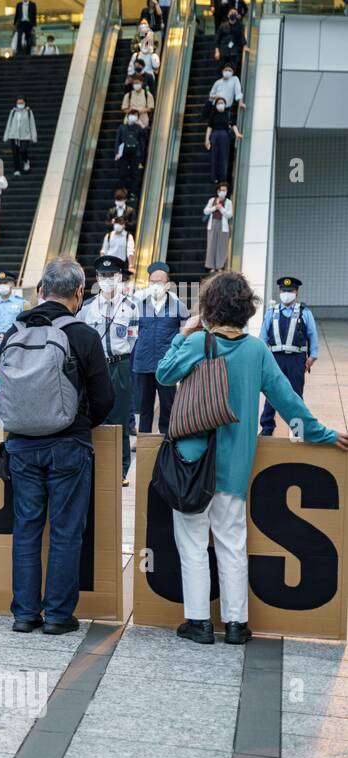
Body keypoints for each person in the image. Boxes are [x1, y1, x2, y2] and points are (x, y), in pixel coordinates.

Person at [157, 270, 346, 646]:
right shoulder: (257, 351)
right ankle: (237, 624)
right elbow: (288, 403)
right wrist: (324, 434)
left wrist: (183, 334)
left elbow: (163, 373)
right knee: (232, 542)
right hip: (234, 469)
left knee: (193, 544)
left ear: (210, 308)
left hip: (193, 464)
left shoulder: (199, 344)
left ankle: (198, 623)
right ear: (247, 310)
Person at [0, 256, 115, 635]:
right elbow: (105, 398)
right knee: (65, 531)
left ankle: (24, 614)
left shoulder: (13, 332)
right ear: (78, 292)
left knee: (26, 529)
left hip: (21, 447)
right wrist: (77, 423)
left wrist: (19, 420)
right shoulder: (85, 335)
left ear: (40, 291)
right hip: (69, 446)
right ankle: (58, 616)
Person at [77, 255, 137, 482]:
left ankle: (121, 469)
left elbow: (132, 339)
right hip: (96, 367)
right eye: (103, 276)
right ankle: (94, 465)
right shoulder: (87, 308)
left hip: (120, 366)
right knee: (94, 417)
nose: (107, 280)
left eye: (111, 276)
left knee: (120, 418)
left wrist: (120, 357)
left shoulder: (131, 307)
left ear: (120, 277)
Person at [132, 261, 189, 434]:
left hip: (167, 365)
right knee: (144, 407)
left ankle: (166, 438)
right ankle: (143, 439)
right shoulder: (138, 305)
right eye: (152, 282)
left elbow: (187, 332)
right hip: (143, 363)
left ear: (168, 284)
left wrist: (179, 357)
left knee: (168, 405)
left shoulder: (178, 306)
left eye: (159, 282)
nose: (155, 285)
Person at [258, 275, 319, 436]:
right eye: (284, 290)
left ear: (296, 292)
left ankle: (297, 430)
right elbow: (263, 338)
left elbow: (313, 336)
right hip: (274, 359)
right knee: (271, 393)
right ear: (279, 291)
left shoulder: (305, 312)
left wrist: (312, 357)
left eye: (290, 290)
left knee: (296, 396)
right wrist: (263, 360)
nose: (286, 293)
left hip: (296, 360)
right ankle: (266, 428)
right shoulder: (271, 312)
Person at [0, 270, 28, 361]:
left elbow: (26, 324)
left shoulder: (22, 303)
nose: (2, 285)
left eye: (5, 282)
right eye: (0, 283)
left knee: (13, 365)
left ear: (12, 284)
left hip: (14, 338)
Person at [205, 96, 239, 186]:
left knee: (224, 157)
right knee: (214, 156)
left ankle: (223, 178)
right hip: (214, 135)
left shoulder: (228, 113)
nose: (220, 105)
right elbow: (209, 127)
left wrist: (237, 133)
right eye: (218, 103)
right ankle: (214, 177)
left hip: (225, 135)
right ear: (216, 105)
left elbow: (233, 124)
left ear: (225, 104)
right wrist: (207, 139)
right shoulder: (213, 114)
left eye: (222, 103)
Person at [3, 96, 38, 176]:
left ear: (25, 103)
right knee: (15, 153)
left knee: (22, 150)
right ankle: (17, 169)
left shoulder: (28, 111)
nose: (20, 104)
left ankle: (26, 161)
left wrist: (34, 136)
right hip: (14, 136)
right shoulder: (13, 111)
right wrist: (6, 135)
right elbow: (9, 123)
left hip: (25, 136)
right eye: (18, 103)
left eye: (21, 103)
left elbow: (32, 124)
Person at [114, 111, 147, 195]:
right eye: (132, 115)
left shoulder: (138, 128)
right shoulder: (122, 127)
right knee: (122, 173)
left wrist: (142, 125)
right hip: (123, 152)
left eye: (136, 115)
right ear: (128, 116)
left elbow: (145, 136)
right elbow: (118, 140)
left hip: (135, 153)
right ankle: (122, 191)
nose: (134, 117)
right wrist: (117, 152)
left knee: (134, 174)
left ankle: (133, 192)